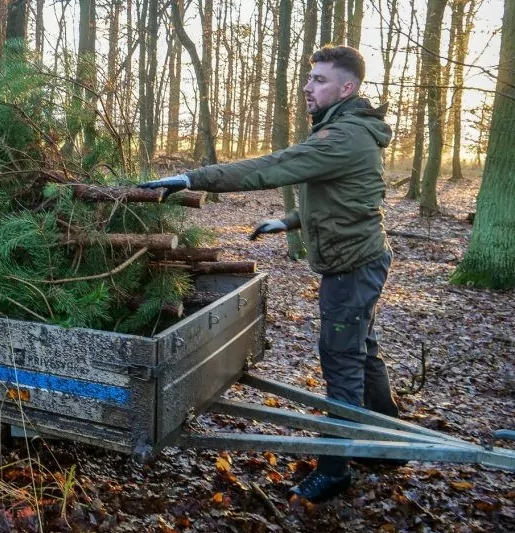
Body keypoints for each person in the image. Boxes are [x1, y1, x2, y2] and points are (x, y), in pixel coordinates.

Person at [139, 45, 399, 503]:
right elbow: (350, 199)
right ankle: (387, 443)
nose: (307, 86)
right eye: (308, 77)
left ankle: (337, 468)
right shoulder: (349, 131)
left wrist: (192, 178)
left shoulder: (343, 136)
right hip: (360, 260)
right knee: (363, 352)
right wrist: (290, 221)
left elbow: (274, 166)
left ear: (347, 87)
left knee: (342, 360)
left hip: (352, 269)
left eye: (319, 79)